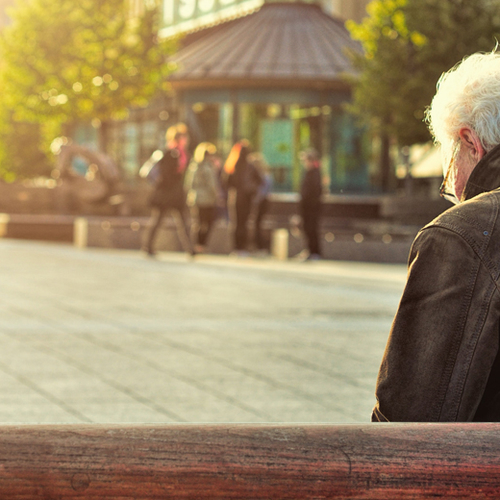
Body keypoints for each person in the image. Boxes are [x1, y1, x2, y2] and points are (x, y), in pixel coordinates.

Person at [373, 51, 500, 422]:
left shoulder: (463, 235)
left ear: (471, 143)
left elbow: (410, 421)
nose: (454, 191)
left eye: (449, 171)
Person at [143, 123, 194, 257]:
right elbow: (166, 174)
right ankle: (148, 246)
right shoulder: (170, 153)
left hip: (175, 193)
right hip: (167, 193)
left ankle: (190, 249)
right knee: (159, 220)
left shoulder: (182, 154)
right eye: (184, 137)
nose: (186, 139)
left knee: (183, 221)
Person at [224, 140, 263, 254]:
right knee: (244, 222)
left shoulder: (232, 164)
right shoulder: (250, 166)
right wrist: (252, 189)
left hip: (236, 197)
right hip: (247, 197)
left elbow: (226, 182)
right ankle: (242, 247)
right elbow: (260, 180)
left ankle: (237, 247)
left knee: (237, 223)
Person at [184, 142, 221, 253]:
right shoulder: (208, 167)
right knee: (208, 222)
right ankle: (201, 245)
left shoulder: (193, 166)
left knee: (198, 222)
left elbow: (187, 184)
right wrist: (218, 196)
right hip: (207, 199)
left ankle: (196, 245)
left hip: (195, 198)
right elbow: (212, 185)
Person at [299, 148, 323, 260]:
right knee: (308, 228)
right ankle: (310, 250)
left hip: (311, 207)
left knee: (311, 228)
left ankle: (314, 251)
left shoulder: (315, 173)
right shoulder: (310, 173)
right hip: (308, 206)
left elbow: (314, 192)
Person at [248, 153, 273, 252]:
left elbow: (263, 191)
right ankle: (257, 245)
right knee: (257, 223)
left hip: (261, 202)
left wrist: (255, 200)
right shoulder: (264, 175)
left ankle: (260, 246)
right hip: (262, 201)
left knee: (258, 223)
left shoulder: (264, 176)